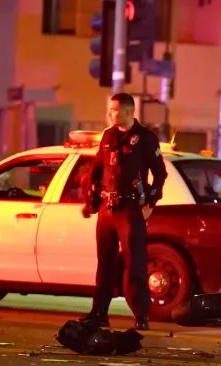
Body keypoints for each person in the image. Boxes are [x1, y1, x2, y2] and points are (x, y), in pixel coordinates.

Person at [80, 93, 167, 331]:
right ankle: (99, 313)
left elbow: (160, 174)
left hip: (130, 210)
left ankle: (140, 316)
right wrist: (91, 198)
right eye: (110, 109)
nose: (110, 113)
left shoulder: (146, 139)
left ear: (129, 112)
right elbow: (97, 168)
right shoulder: (108, 136)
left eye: (114, 109)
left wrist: (150, 202)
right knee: (104, 264)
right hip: (107, 210)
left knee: (134, 264)